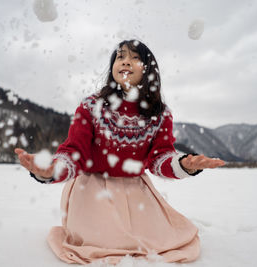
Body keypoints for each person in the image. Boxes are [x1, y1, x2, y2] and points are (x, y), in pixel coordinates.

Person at [15, 39, 225, 265]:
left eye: (136, 58)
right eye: (121, 56)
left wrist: (184, 164)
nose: (126, 61)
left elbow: (159, 159)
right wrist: (50, 170)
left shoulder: (160, 114)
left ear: (148, 70)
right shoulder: (91, 106)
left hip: (137, 192)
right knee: (106, 246)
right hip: (93, 191)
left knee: (160, 242)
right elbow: (75, 152)